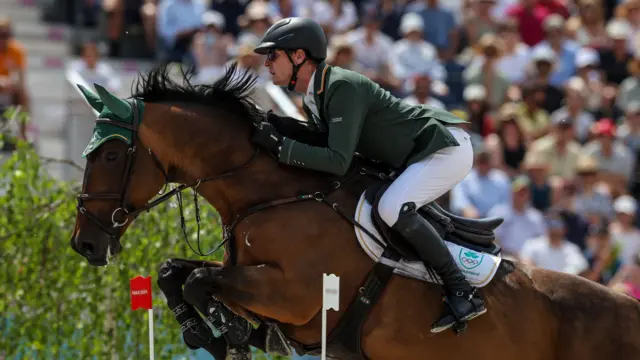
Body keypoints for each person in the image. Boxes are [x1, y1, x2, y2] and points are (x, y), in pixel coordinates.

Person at [250, 17, 485, 334]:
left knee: (390, 208)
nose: (266, 63)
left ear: (299, 56)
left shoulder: (340, 86)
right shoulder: (314, 96)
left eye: (273, 55)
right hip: (419, 155)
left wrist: (281, 147)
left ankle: (461, 290)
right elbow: (321, 143)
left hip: (444, 149)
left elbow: (336, 160)